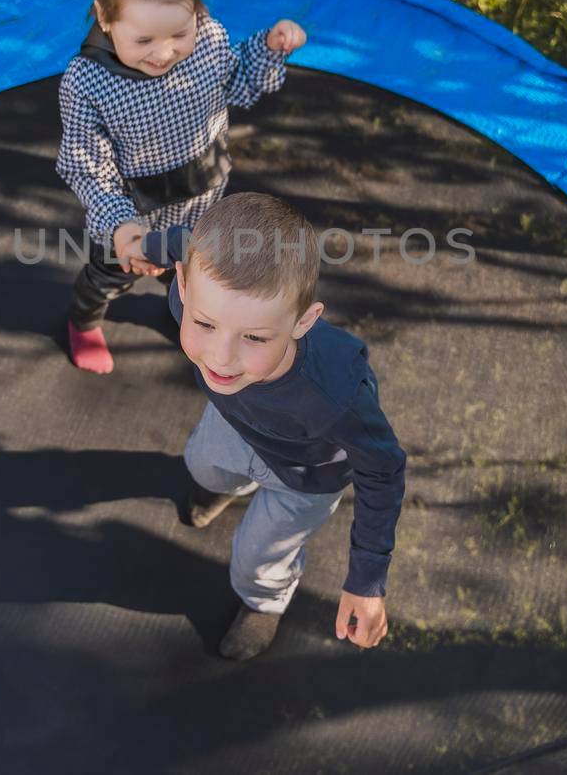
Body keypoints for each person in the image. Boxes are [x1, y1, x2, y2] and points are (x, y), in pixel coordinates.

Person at [142, 192, 406, 660]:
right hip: (235, 425)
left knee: (259, 556)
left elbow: (382, 470)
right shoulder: (192, 279)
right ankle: (224, 488)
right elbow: (177, 243)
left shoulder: (334, 395)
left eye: (254, 338)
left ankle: (264, 601)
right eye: (205, 324)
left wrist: (367, 579)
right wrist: (134, 241)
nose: (220, 358)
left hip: (305, 476)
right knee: (203, 468)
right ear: (183, 284)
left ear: (303, 322)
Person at [55, 0, 306, 374]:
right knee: (109, 276)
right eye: (144, 40)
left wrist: (270, 47)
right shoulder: (87, 82)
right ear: (105, 19)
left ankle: (184, 310)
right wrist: (124, 230)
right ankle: (84, 321)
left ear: (196, 10)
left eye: (179, 32)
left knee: (194, 273)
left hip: (203, 200)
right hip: (134, 215)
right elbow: (88, 167)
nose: (165, 52)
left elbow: (239, 81)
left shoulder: (208, 40)